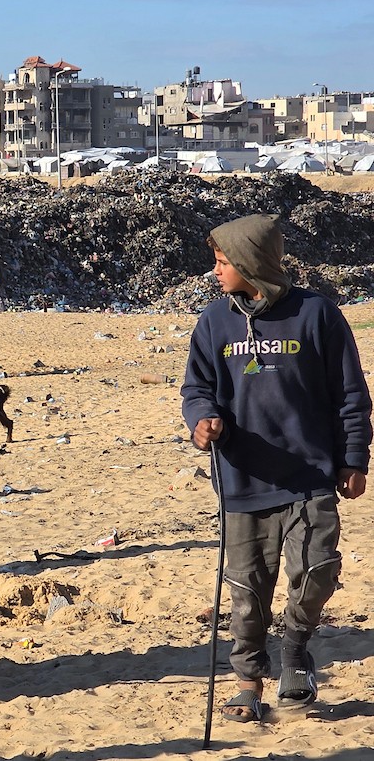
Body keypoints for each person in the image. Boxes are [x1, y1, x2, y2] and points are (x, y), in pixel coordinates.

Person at [181, 214, 371, 724]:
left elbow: (351, 395)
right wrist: (202, 422)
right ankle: (247, 682)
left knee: (317, 572)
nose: (216, 271)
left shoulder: (317, 315)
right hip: (243, 479)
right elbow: (196, 388)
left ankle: (294, 652)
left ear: (251, 264)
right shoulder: (215, 321)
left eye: (223, 262)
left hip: (310, 476)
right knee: (245, 594)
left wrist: (355, 458)